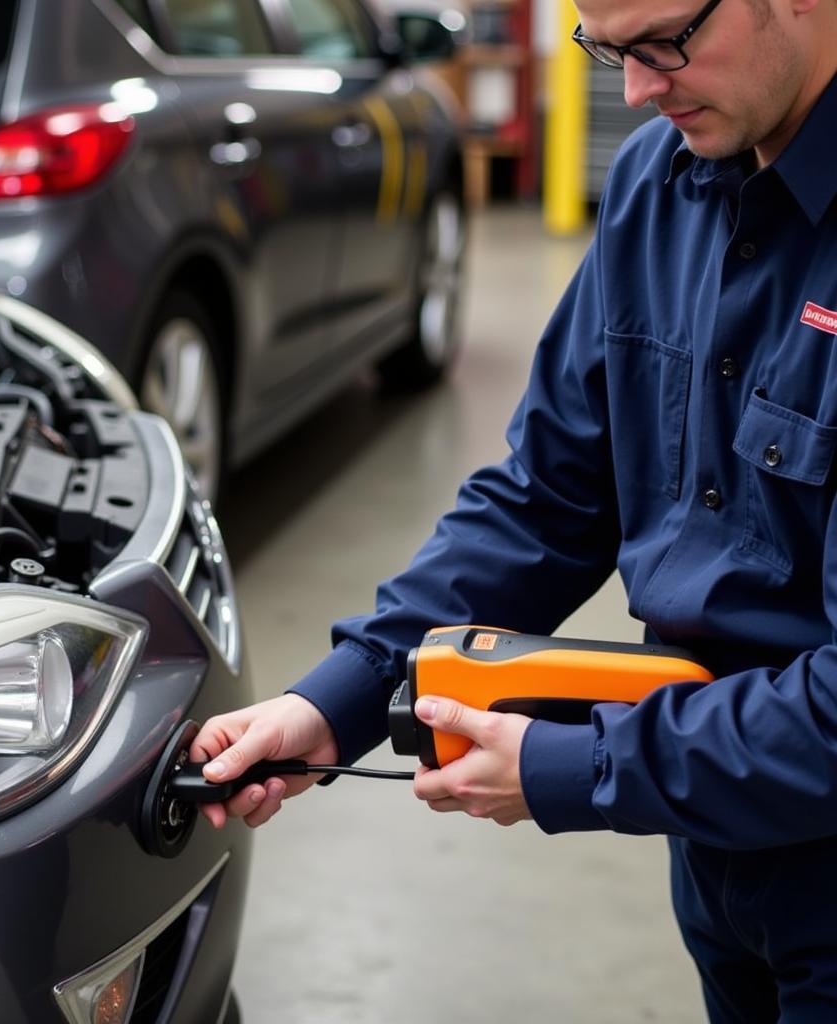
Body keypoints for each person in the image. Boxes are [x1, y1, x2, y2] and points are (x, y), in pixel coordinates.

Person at [192, 0, 837, 1019]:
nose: (633, 90)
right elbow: (547, 497)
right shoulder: (653, 188)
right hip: (712, 842)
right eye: (605, 47)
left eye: (664, 42)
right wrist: (338, 702)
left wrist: (575, 765)